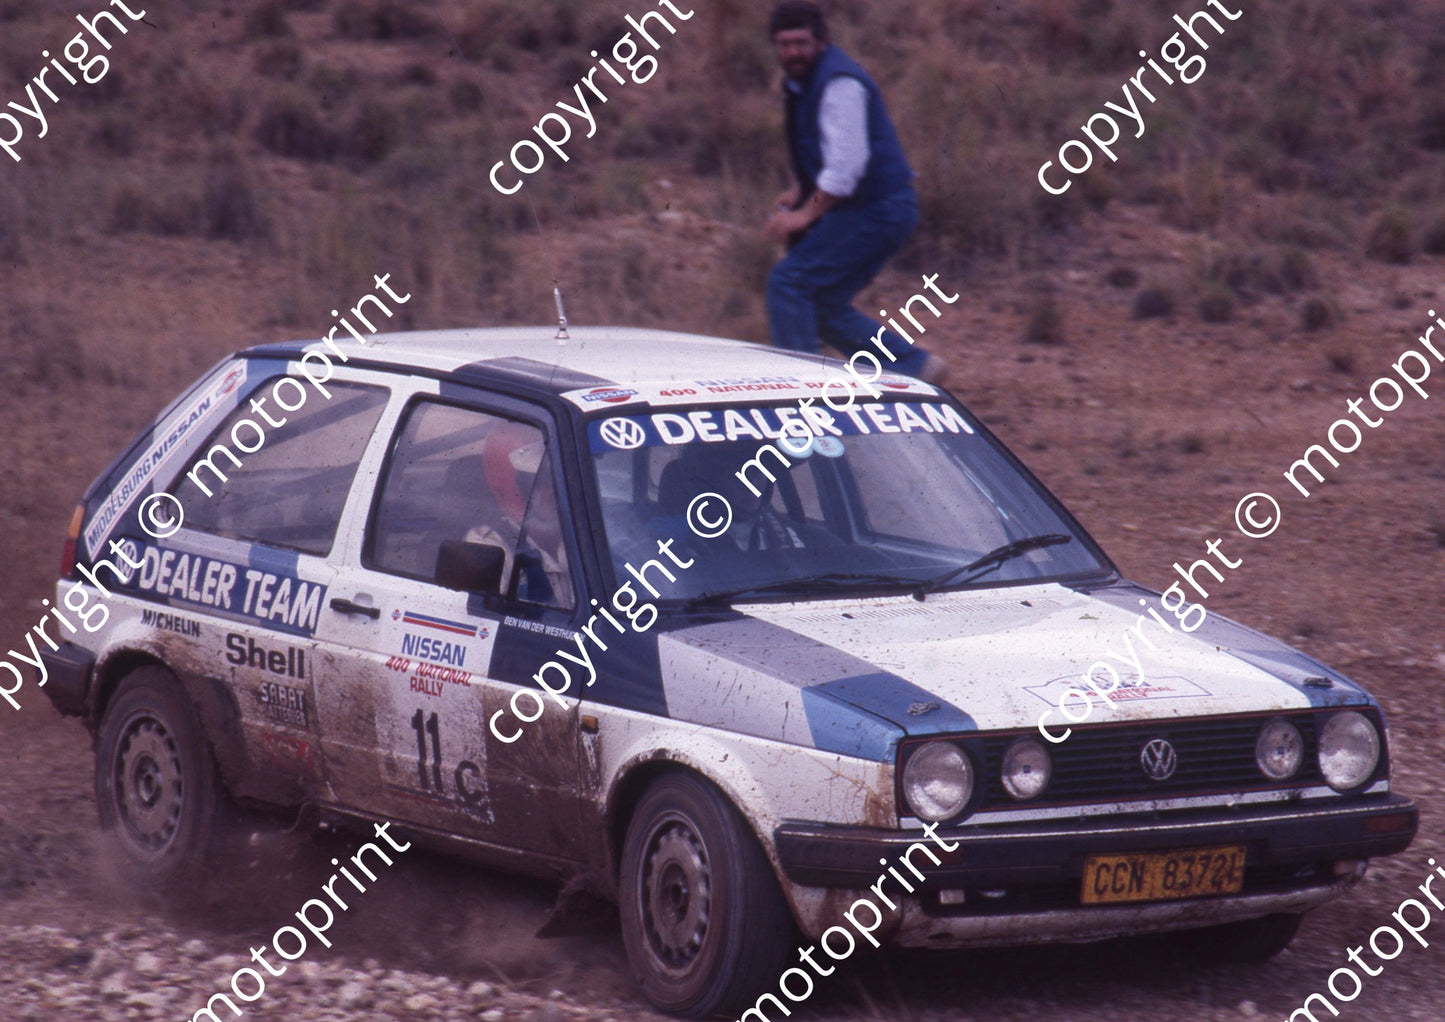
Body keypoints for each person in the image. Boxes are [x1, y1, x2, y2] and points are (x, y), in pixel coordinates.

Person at [763, 1, 948, 385]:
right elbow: (832, 157)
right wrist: (801, 189)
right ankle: (913, 367)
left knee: (789, 283)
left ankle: (800, 389)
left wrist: (803, 216)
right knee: (820, 302)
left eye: (800, 42)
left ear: (822, 41)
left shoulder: (838, 83)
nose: (792, 52)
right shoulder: (805, 83)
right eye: (784, 44)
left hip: (876, 210)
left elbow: (846, 169)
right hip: (876, 209)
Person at [466, 421, 574, 608]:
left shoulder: (580, 537)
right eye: (543, 483)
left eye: (560, 481)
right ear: (516, 486)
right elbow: (483, 621)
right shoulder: (490, 545)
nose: (555, 492)